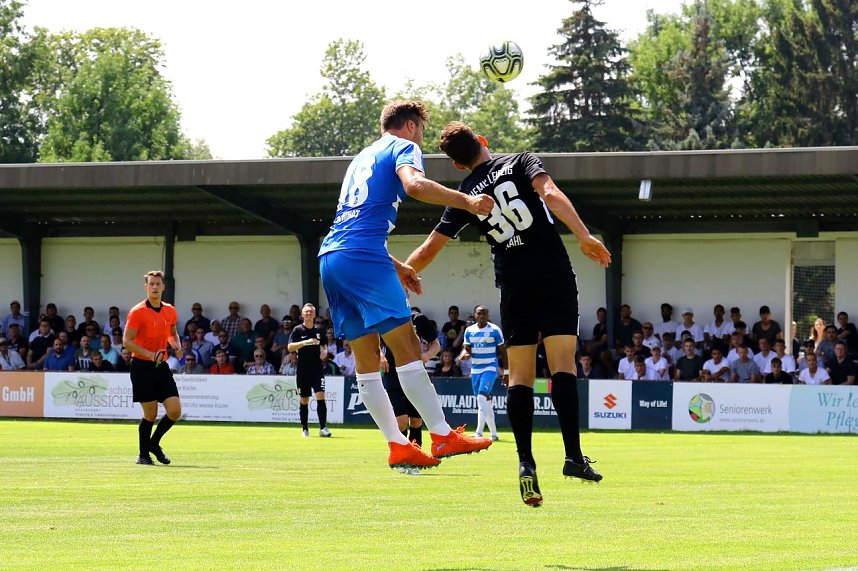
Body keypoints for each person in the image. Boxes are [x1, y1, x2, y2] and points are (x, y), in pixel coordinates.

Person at [405, 120, 611, 507]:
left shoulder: (464, 195)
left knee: (519, 376)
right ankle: (572, 456)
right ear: (483, 141)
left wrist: (400, 273)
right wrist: (584, 235)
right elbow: (550, 193)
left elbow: (430, 248)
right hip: (553, 274)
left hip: (515, 286)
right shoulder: (521, 161)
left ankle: (526, 464)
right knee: (562, 367)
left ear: (457, 165)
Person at [317, 102, 495, 471]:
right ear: (410, 126)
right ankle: (442, 435)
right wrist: (467, 201)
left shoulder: (361, 158)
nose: (422, 141)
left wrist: (398, 266)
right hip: (363, 257)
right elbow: (414, 185)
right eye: (422, 132)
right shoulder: (403, 146)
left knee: (366, 361)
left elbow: (356, 224)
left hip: (332, 258)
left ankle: (398, 445)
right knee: (407, 348)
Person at [123, 270, 184, 466]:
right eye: (151, 284)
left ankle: (153, 444)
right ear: (146, 287)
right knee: (150, 413)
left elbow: (172, 334)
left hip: (161, 366)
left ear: (163, 286)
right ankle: (143, 455)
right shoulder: (137, 312)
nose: (155, 287)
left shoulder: (170, 310)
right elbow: (127, 342)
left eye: (158, 284)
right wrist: (150, 355)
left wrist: (177, 346)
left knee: (174, 411)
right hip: (141, 366)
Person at [381, 307, 441, 471]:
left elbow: (436, 345)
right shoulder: (386, 319)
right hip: (392, 374)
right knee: (401, 421)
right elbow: (373, 341)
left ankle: (415, 460)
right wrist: (381, 355)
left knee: (416, 421)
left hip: (415, 374)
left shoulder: (419, 319)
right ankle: (401, 458)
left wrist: (426, 356)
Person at [460, 306, 505, 441]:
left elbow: (503, 351)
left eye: (484, 313)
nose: (482, 316)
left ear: (488, 315)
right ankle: (494, 434)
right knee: (486, 401)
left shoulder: (495, 330)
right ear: (475, 315)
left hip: (490, 367)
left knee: (481, 397)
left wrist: (507, 371)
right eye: (479, 313)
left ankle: (479, 432)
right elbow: (467, 349)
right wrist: (465, 354)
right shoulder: (469, 331)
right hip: (475, 370)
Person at [287, 303, 332, 438]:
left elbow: (324, 346)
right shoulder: (297, 330)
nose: (308, 314)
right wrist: (305, 342)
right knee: (304, 399)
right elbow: (290, 347)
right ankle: (305, 428)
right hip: (303, 369)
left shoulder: (319, 331)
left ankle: (323, 428)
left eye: (311, 312)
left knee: (320, 395)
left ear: (314, 314)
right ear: (302, 314)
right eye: (306, 312)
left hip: (317, 368)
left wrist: (324, 352)